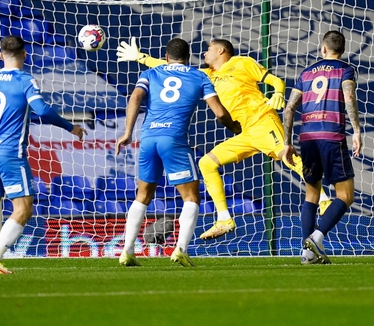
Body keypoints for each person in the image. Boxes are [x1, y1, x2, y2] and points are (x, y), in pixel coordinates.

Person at [117, 37, 332, 240]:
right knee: (207, 163)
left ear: (220, 50)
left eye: (209, 49)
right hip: (243, 132)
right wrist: (140, 57)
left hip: (261, 122)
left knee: (288, 158)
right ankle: (224, 219)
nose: (204, 52)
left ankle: (324, 200)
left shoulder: (242, 63)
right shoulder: (206, 74)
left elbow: (275, 80)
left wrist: (278, 92)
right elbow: (174, 67)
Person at [115, 38, 240, 267]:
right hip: (173, 140)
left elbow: (135, 97)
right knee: (191, 197)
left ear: (165, 56)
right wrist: (233, 127)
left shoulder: (152, 73)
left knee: (142, 195)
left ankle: (127, 251)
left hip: (148, 137)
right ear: (188, 57)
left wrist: (127, 132)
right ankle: (181, 249)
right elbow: (220, 112)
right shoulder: (199, 76)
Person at [0, 35, 87, 274]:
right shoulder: (24, 80)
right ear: (25, 54)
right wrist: (70, 127)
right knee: (24, 208)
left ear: (1, 55)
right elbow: (42, 111)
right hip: (12, 153)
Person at [282, 31, 362, 265]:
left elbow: (288, 109)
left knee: (311, 194)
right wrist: (356, 130)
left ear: (323, 48)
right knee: (346, 196)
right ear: (342, 50)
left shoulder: (306, 73)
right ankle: (316, 238)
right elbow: (348, 97)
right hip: (331, 136)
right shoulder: (346, 70)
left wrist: (287, 143)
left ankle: (307, 254)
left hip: (307, 138)